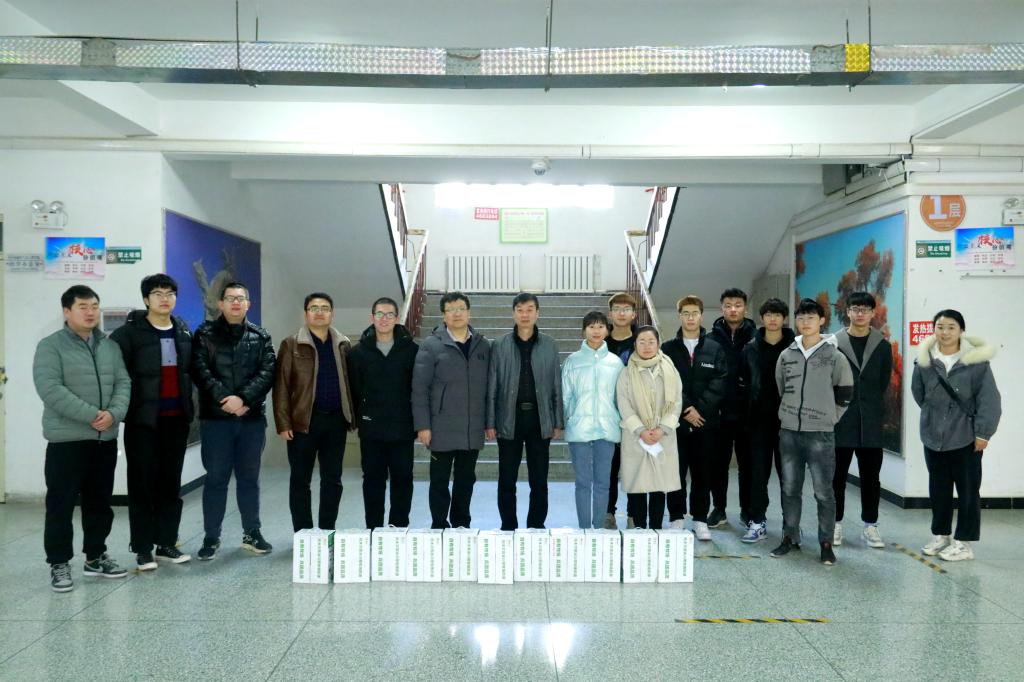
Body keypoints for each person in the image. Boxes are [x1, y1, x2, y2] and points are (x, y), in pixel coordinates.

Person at [33, 285, 131, 591]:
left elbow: (123, 382)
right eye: (83, 307)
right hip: (67, 440)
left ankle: (96, 556)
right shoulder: (51, 346)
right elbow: (50, 388)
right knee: (61, 503)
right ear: (67, 311)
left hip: (104, 438)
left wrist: (114, 413)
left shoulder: (109, 346)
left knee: (99, 502)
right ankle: (59, 562)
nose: (91, 313)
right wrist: (92, 414)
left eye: (94, 306)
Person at [110, 274, 195, 570]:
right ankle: (143, 548)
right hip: (142, 422)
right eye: (158, 293)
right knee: (142, 485)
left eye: (170, 293)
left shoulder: (183, 331)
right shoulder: (128, 335)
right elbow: (115, 376)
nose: (164, 299)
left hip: (176, 420)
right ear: (146, 299)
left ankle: (166, 543)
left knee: (170, 485)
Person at [192, 281, 276, 560]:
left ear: (248, 304)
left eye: (241, 298)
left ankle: (252, 533)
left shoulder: (260, 336)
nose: (236, 303)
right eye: (230, 298)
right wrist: (225, 400)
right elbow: (200, 370)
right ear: (221, 304)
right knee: (216, 479)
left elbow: (267, 372)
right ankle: (211, 537)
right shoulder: (204, 334)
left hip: (251, 420)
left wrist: (244, 400)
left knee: (249, 479)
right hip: (216, 421)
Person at [913, 309, 1001, 562]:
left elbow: (990, 401)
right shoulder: (924, 361)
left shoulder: (977, 363)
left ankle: (964, 543)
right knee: (938, 489)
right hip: (933, 438)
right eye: (940, 327)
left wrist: (983, 433)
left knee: (968, 491)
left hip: (966, 438)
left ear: (961, 330)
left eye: (951, 327)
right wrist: (932, 418)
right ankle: (941, 535)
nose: (945, 332)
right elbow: (919, 394)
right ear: (934, 330)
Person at [770, 299, 853, 566]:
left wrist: (830, 417)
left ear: (821, 321)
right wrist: (789, 413)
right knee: (789, 488)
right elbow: (781, 387)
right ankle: (789, 536)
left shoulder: (834, 356)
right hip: (789, 432)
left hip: (820, 434)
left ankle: (825, 543)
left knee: (823, 492)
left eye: (811, 318)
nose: (805, 323)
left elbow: (845, 392)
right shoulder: (786, 355)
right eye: (801, 318)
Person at [273, 292, 355, 533]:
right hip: (303, 423)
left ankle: (327, 532)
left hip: (336, 422)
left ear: (332, 314)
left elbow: (351, 383)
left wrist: (352, 417)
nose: (319, 312)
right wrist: (283, 422)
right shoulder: (291, 344)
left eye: (325, 308)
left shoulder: (343, 344)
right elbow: (281, 386)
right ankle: (304, 533)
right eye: (314, 308)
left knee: (333, 480)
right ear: (306, 313)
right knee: (301, 480)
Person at [412, 292, 491, 529]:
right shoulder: (431, 345)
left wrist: (489, 422)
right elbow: (419, 389)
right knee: (439, 481)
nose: (457, 314)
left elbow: (490, 388)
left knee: (466, 480)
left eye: (461, 309)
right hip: (440, 428)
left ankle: (461, 524)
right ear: (443, 315)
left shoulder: (482, 345)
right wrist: (423, 426)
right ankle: (439, 525)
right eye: (451, 310)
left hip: (471, 428)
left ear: (469, 313)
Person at [486, 293, 564, 531]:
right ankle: (508, 525)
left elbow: (556, 385)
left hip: (540, 419)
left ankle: (536, 526)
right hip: (509, 418)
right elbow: (492, 386)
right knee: (506, 479)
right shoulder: (500, 345)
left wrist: (557, 421)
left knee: (539, 480)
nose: (525, 314)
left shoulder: (549, 345)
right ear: (513, 314)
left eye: (530, 309)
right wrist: (490, 421)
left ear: (537, 313)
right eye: (520, 310)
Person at [348, 296, 419, 529]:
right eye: (380, 314)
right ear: (372, 317)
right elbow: (354, 389)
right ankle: (374, 530)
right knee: (372, 481)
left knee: (403, 480)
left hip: (403, 429)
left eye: (389, 314)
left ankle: (398, 529)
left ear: (397, 318)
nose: (384, 319)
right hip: (371, 430)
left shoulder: (412, 350)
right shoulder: (358, 353)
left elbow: (417, 389)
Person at [661, 295, 727, 541]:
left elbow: (720, 381)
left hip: (706, 424)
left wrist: (701, 410)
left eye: (694, 313)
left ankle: (700, 519)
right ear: (679, 316)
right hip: (676, 423)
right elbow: (667, 383)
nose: (690, 318)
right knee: (675, 473)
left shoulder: (714, 348)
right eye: (685, 313)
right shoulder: (667, 349)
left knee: (703, 474)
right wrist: (687, 409)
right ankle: (676, 517)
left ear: (701, 316)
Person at [832, 292, 893, 549]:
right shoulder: (834, 343)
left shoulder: (882, 345)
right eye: (855, 309)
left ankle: (870, 526)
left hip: (870, 422)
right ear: (848, 312)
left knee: (871, 477)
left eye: (865, 309)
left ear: (872, 313)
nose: (860, 313)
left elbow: (882, 381)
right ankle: (834, 524)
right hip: (840, 421)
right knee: (836, 477)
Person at [738, 298, 795, 543]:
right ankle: (757, 521)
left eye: (777, 315)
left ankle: (790, 526)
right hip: (758, 422)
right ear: (762, 318)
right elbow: (742, 385)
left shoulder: (796, 347)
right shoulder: (750, 348)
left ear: (784, 318)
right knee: (757, 475)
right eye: (768, 314)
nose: (773, 319)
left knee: (789, 477)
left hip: (788, 423)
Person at [616, 326, 684, 530]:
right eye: (642, 342)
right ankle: (638, 530)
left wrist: (662, 428)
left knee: (659, 485)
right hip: (636, 436)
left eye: (651, 342)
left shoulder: (670, 369)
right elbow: (623, 404)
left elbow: (677, 401)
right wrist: (641, 430)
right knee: (637, 485)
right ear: (635, 344)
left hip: (663, 436)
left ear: (658, 344)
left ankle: (656, 529)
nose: (647, 346)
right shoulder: (626, 373)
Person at [562, 311, 624, 529]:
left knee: (603, 483)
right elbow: (566, 395)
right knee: (582, 482)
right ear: (583, 331)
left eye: (600, 326)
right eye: (591, 327)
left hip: (607, 429)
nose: (596, 331)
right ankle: (584, 529)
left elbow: (620, 397)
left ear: (607, 330)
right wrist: (568, 419)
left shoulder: (615, 363)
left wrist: (620, 421)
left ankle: (598, 528)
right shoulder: (573, 361)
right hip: (579, 429)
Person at [708, 287, 757, 529]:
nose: (733, 309)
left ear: (745, 308)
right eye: (728, 305)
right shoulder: (711, 338)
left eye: (738, 305)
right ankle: (719, 509)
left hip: (748, 413)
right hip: (719, 413)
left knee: (747, 466)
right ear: (722, 308)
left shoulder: (756, 337)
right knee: (718, 465)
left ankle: (747, 510)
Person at [603, 292, 638, 529]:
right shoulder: (601, 342)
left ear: (634, 314)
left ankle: (634, 512)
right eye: (617, 309)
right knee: (609, 467)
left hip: (634, 414)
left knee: (633, 466)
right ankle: (609, 512)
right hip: (607, 413)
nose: (622, 313)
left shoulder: (640, 341)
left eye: (626, 309)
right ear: (610, 314)